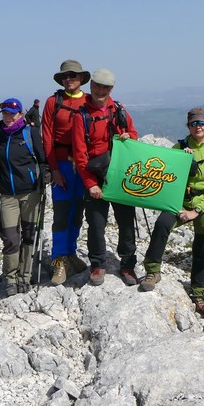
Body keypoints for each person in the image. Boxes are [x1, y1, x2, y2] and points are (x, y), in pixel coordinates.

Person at [140, 107, 204, 309]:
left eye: (202, 123)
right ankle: (152, 270)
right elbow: (167, 179)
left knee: (201, 246)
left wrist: (196, 210)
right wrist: (183, 161)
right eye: (193, 123)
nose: (198, 127)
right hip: (179, 200)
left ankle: (197, 291)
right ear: (188, 126)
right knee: (162, 224)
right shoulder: (178, 149)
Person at [71, 68, 139, 287]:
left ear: (111, 89)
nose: (101, 90)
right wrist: (90, 184)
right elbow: (80, 155)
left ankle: (127, 265)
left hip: (119, 176)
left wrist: (130, 136)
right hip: (95, 177)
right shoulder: (81, 116)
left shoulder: (118, 110)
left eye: (106, 87)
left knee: (126, 222)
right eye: (97, 86)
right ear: (91, 86)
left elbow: (134, 135)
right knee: (96, 224)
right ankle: (97, 264)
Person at [0, 98, 47, 296]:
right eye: (4, 113)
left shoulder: (30, 133)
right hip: (8, 196)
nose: (7, 117)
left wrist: (45, 174)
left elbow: (42, 158)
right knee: (11, 238)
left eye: (11, 114)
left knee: (29, 237)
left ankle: (25, 276)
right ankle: (10, 279)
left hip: (31, 193)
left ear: (20, 115)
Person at [41, 59, 90, 284]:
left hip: (83, 165)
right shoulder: (53, 102)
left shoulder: (89, 101)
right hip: (61, 163)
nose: (69, 79)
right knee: (61, 213)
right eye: (65, 76)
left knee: (77, 211)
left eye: (73, 75)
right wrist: (54, 169)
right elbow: (47, 137)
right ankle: (59, 260)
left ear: (81, 79)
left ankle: (70, 252)